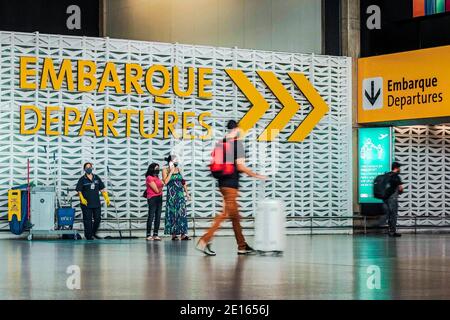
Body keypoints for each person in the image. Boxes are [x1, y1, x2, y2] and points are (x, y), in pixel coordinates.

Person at [196, 120, 267, 256]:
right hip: (231, 185)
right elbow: (240, 166)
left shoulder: (221, 143)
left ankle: (242, 245)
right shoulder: (237, 144)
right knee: (225, 214)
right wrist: (255, 175)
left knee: (235, 216)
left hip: (222, 183)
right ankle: (204, 240)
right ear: (237, 129)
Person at [75, 162, 110, 240]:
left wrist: (106, 197)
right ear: (84, 169)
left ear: (92, 168)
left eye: (90, 167)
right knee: (88, 220)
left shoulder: (96, 178)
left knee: (97, 219)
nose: (89, 168)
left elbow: (102, 189)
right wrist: (82, 198)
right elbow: (79, 190)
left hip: (96, 203)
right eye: (87, 167)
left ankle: (93, 233)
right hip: (86, 204)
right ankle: (88, 236)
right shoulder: (82, 179)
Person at [162, 155, 191, 240]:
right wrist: (171, 171)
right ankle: (174, 234)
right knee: (172, 213)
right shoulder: (165, 170)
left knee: (181, 213)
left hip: (180, 195)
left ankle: (183, 234)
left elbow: (183, 182)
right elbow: (166, 182)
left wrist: (187, 193)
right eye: (175, 160)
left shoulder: (178, 169)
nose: (177, 161)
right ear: (170, 161)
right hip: (171, 196)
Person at [383, 161, 404, 237]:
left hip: (385, 199)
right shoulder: (396, 176)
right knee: (393, 215)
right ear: (396, 168)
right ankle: (392, 232)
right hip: (393, 198)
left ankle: (389, 230)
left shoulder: (386, 175)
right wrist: (400, 191)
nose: (400, 169)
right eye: (399, 167)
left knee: (388, 215)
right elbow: (401, 188)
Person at [145, 163, 164, 241]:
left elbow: (161, 185)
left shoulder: (157, 177)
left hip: (159, 198)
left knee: (158, 216)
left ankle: (155, 234)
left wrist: (162, 184)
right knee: (151, 216)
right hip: (152, 198)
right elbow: (156, 190)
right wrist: (162, 185)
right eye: (156, 168)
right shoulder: (149, 178)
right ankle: (148, 234)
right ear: (152, 169)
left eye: (158, 168)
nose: (158, 170)